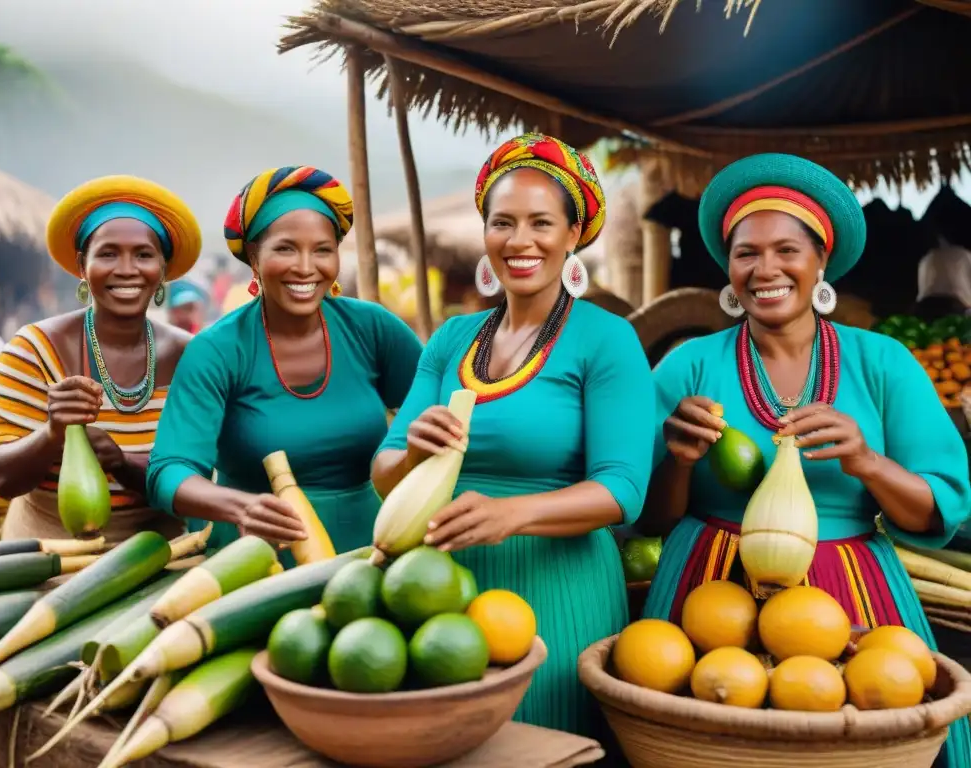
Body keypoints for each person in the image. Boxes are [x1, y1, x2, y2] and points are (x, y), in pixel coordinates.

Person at [638, 153, 970, 768]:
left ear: (822, 261)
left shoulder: (884, 363)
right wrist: (678, 461)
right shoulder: (689, 365)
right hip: (708, 596)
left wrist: (868, 461)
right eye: (746, 253)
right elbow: (649, 519)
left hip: (853, 602)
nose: (766, 269)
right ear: (728, 268)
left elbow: (936, 511)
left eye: (788, 250)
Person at [372, 134, 654, 738]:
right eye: (502, 222)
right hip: (439, 594)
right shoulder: (451, 339)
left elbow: (623, 490)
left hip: (556, 590)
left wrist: (511, 515)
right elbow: (385, 473)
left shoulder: (607, 340)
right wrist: (416, 449)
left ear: (573, 234)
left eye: (540, 223)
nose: (519, 241)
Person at [146, 166, 423, 559]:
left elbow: (439, 406)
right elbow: (168, 472)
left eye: (322, 249)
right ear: (254, 257)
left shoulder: (372, 329)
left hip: (370, 557)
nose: (306, 267)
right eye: (286, 248)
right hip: (254, 564)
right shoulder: (218, 350)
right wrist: (239, 506)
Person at [0, 176, 203, 542]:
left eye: (144, 255)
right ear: (83, 266)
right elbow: (0, 480)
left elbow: (199, 476)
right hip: (50, 557)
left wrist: (122, 463)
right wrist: (52, 433)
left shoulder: (192, 356)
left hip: (166, 556)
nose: (127, 269)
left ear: (162, 270)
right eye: (108, 253)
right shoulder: (33, 350)